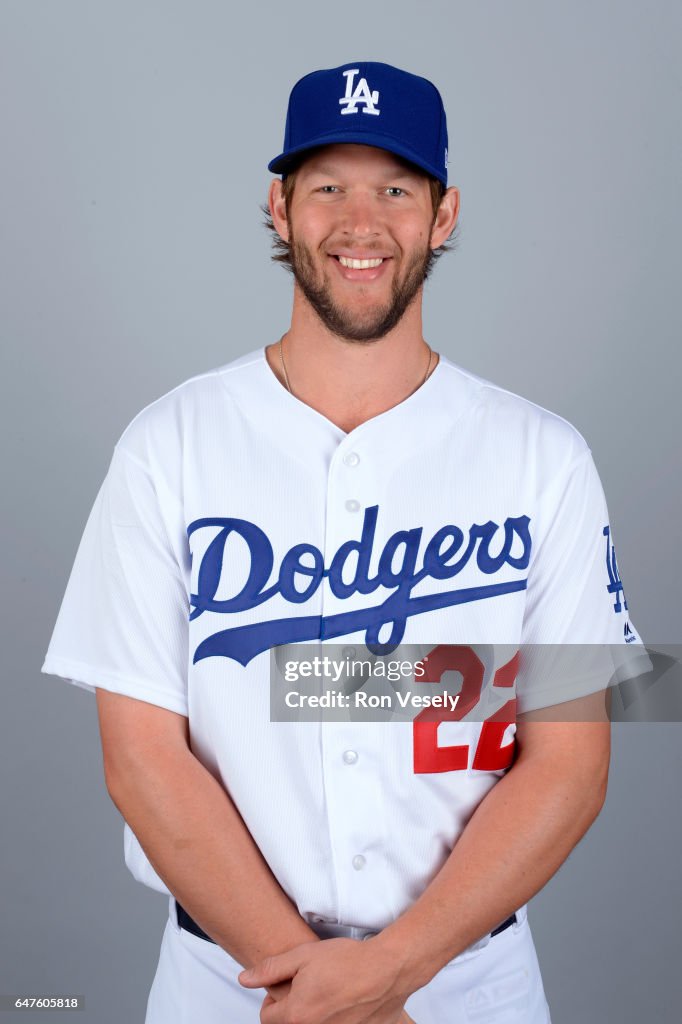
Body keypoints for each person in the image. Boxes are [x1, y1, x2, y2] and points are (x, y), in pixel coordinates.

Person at [41, 60, 645, 1023]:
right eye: (327, 187)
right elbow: (142, 756)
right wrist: (314, 983)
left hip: (466, 984)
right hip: (229, 985)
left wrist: (395, 972)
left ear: (443, 215)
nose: (360, 225)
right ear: (279, 208)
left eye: (396, 190)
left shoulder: (544, 460)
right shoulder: (170, 445)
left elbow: (569, 765)